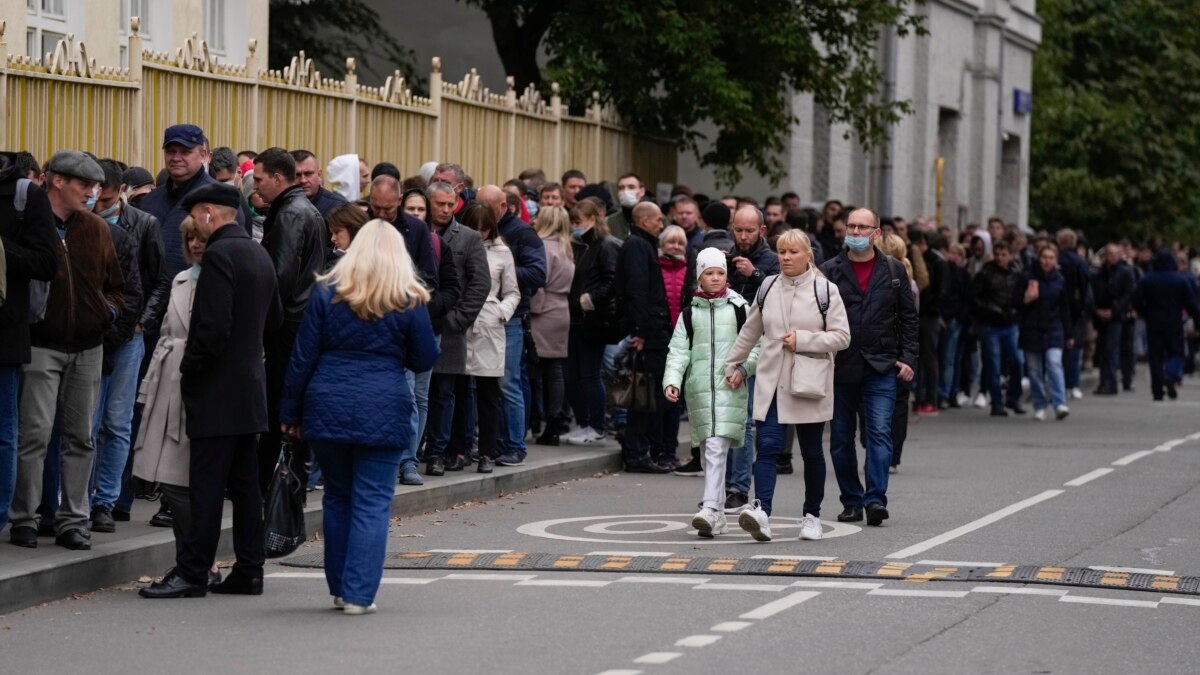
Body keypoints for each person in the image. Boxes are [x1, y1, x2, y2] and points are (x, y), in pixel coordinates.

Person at [279, 220, 438, 615]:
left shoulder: (327, 292)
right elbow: (423, 358)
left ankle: (339, 587)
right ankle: (358, 593)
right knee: (372, 501)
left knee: (337, 497)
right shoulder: (408, 298)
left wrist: (289, 411)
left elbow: (302, 357)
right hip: (383, 403)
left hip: (327, 401)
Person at [139, 183, 282, 599]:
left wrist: (191, 370)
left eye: (199, 214)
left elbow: (211, 328)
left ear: (207, 214)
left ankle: (192, 572)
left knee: (205, 485)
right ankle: (249, 570)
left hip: (216, 389)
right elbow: (273, 321)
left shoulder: (220, 254)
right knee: (243, 486)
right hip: (249, 386)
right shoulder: (258, 252)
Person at [10, 152, 124, 551]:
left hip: (88, 345)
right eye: (83, 185)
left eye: (94, 187)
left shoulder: (96, 229)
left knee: (81, 437)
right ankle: (24, 518)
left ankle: (74, 520)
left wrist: (107, 311)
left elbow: (117, 284)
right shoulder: (31, 223)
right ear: (56, 180)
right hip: (42, 342)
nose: (91, 193)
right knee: (34, 435)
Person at [727, 229, 850, 541]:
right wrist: (734, 364)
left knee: (811, 453)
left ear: (808, 256)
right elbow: (750, 330)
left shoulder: (825, 290)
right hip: (770, 382)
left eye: (793, 252)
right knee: (767, 447)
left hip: (808, 382)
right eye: (782, 251)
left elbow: (842, 337)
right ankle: (762, 512)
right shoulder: (767, 286)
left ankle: (812, 515)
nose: (785, 257)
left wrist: (804, 340)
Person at [132, 216, 222, 586]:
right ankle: (192, 560)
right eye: (189, 238)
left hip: (202, 390)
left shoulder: (222, 280)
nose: (195, 245)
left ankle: (201, 563)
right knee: (168, 481)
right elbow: (169, 332)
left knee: (185, 483)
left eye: (201, 238)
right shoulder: (182, 279)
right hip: (169, 385)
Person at [819, 208, 918, 527]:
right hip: (839, 366)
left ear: (877, 233)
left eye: (863, 227)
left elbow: (908, 319)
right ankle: (851, 500)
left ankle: (875, 499)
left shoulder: (892, 270)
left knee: (878, 433)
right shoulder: (829, 271)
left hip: (880, 366)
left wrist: (908, 357)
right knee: (841, 438)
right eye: (851, 226)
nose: (856, 232)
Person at [88, 159, 168, 531]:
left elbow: (159, 279)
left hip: (128, 335)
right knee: (84, 424)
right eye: (93, 196)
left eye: (104, 197)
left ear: (120, 191)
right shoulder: (78, 223)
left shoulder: (144, 224)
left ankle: (106, 499)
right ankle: (82, 499)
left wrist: (140, 322)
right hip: (89, 335)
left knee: (117, 422)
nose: (97, 203)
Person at [665, 248, 759, 537]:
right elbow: (679, 351)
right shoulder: (690, 314)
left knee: (717, 447)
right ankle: (717, 513)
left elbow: (757, 344)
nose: (716, 278)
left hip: (729, 387)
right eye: (709, 273)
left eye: (720, 272)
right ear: (699, 277)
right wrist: (673, 380)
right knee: (708, 451)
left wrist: (743, 369)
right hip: (700, 391)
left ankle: (709, 507)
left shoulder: (740, 307)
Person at [254, 147, 327, 493]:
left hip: (287, 326)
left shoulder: (291, 214)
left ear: (277, 178)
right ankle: (287, 479)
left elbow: (280, 276)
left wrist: (263, 321)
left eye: (259, 179)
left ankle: (277, 483)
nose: (254, 186)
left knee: (280, 409)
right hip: (297, 321)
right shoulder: (301, 210)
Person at [0, 152, 59, 536]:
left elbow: (46, 263)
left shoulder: (23, 194)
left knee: (5, 430)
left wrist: (1, 252)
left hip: (4, 335)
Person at [477, 185, 547, 466]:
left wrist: (500, 269)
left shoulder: (521, 234)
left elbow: (538, 272)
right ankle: (492, 443)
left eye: (487, 206)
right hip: (479, 316)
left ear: (504, 206)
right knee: (483, 384)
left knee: (508, 382)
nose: (480, 212)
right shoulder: (475, 231)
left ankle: (515, 445)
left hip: (509, 317)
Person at [424, 183, 491, 475]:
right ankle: (416, 451)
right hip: (417, 324)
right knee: (417, 394)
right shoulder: (415, 233)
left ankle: (439, 452)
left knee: (444, 393)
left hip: (449, 329)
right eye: (440, 204)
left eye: (450, 205)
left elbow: (480, 283)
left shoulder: (468, 238)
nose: (446, 209)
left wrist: (458, 319)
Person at [614, 202, 675, 473]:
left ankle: (638, 448)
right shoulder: (638, 246)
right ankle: (637, 451)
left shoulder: (640, 245)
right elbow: (638, 291)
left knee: (648, 394)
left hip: (650, 330)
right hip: (649, 334)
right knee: (644, 395)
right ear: (644, 221)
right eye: (658, 220)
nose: (661, 225)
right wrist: (641, 332)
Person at [462, 202, 521, 473]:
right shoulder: (458, 243)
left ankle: (487, 451)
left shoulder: (502, 251)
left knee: (488, 393)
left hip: (488, 323)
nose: (479, 235)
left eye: (483, 230)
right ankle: (460, 448)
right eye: (474, 229)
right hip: (461, 322)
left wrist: (501, 312)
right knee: (459, 391)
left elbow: (512, 291)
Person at [563, 199, 621, 446]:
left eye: (578, 222)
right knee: (572, 375)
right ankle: (585, 422)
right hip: (576, 317)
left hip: (593, 319)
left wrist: (588, 299)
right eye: (572, 222)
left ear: (592, 220)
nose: (575, 227)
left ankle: (596, 425)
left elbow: (611, 280)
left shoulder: (605, 246)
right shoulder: (582, 245)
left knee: (589, 373)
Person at [529, 206, 575, 445]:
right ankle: (555, 421)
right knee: (554, 369)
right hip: (561, 308)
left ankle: (537, 419)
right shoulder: (566, 248)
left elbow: (539, 281)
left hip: (543, 309)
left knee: (534, 369)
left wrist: (531, 309)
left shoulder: (543, 246)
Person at [1016, 243, 1073, 421]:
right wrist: (1026, 299)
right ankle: (1040, 404)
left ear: (1056, 260)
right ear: (1038, 259)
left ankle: (1060, 403)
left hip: (1053, 327)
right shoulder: (1027, 277)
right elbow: (1015, 303)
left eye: (1051, 258)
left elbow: (1065, 309)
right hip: (1032, 328)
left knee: (1054, 363)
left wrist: (1069, 334)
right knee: (1034, 370)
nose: (1047, 261)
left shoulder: (1060, 280)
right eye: (1044, 257)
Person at [1134, 248, 1200, 401]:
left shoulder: (1147, 279)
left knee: (1155, 356)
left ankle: (1157, 390)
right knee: (1177, 353)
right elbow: (1190, 303)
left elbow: (1136, 300)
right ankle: (1169, 374)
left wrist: (1146, 313)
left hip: (1153, 322)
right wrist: (1197, 320)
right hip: (1174, 322)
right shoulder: (1179, 280)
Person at [972, 241, 1025, 416]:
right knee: (993, 364)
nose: (1001, 258)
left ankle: (1014, 397)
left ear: (1010, 255)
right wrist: (990, 309)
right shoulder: (986, 273)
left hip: (1010, 323)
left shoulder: (1016, 273)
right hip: (991, 324)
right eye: (998, 254)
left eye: (1004, 254)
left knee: (1018, 361)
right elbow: (974, 297)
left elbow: (1020, 295)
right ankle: (996, 402)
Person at [1092, 244, 1135, 396]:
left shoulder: (1125, 272)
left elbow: (1128, 295)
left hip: (1116, 316)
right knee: (1103, 350)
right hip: (1101, 314)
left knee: (1111, 350)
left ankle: (1111, 382)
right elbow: (1095, 291)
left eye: (1115, 254)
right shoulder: (1100, 273)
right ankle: (1104, 381)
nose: (1113, 257)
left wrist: (1114, 310)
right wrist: (1097, 310)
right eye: (1109, 254)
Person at [1056, 229, 1091, 400]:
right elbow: (1086, 287)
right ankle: (1073, 383)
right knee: (1075, 349)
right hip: (1077, 310)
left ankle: (1061, 383)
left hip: (1059, 309)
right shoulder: (1080, 262)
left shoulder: (1059, 260)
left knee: (1059, 348)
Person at [291, 150, 348, 218]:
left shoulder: (338, 207)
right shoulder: (280, 204)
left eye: (308, 174)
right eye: (297, 175)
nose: (303, 180)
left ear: (319, 175)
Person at [607, 173, 644, 241]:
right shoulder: (610, 221)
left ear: (642, 191)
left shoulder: (656, 218)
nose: (625, 191)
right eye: (621, 188)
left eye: (631, 187)